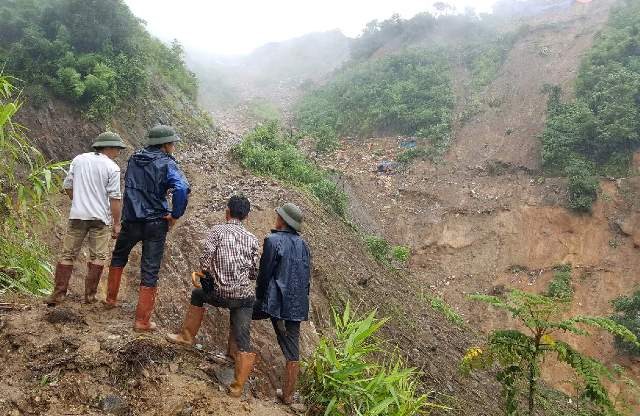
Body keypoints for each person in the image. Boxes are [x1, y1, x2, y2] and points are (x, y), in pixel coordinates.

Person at [166, 195, 259, 398]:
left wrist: (212, 274)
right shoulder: (252, 239)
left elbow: (204, 261)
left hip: (219, 293)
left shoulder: (217, 231)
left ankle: (186, 337)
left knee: (198, 294)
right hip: (243, 297)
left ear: (227, 212)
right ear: (246, 216)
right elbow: (253, 273)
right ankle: (237, 386)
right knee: (242, 330)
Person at [104, 125, 190, 332]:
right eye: (172, 143)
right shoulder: (167, 163)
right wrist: (175, 214)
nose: (173, 146)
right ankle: (141, 321)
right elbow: (182, 188)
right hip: (155, 222)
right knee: (150, 268)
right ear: (165, 144)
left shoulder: (134, 158)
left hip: (132, 218)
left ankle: (110, 299)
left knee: (118, 257)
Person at [46, 132, 126, 306]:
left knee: (68, 254)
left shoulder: (79, 159)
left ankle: (58, 295)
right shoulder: (112, 167)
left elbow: (67, 186)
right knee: (98, 256)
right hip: (100, 219)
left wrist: (78, 201)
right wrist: (117, 223)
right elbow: (115, 198)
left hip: (77, 216)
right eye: (117, 149)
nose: (118, 152)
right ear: (109, 148)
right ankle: (89, 297)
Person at [253, 203, 311, 405]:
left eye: (278, 215)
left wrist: (259, 296)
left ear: (283, 221)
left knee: (241, 311)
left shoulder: (272, 240)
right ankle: (287, 394)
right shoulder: (304, 245)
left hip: (275, 302)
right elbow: (306, 277)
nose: (275, 218)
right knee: (292, 347)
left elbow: (265, 273)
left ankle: (232, 356)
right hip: (297, 305)